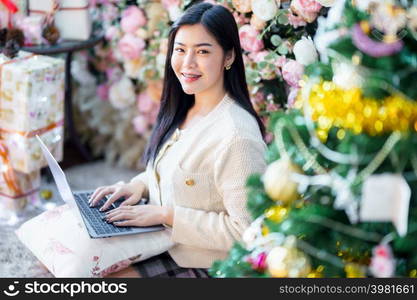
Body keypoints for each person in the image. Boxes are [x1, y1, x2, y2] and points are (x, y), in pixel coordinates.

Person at [89, 2, 267, 278]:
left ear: (229, 56)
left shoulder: (236, 136)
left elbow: (250, 232)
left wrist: (166, 215)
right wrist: (138, 186)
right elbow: (178, 174)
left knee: (95, 280)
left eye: (203, 52)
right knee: (69, 261)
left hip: (209, 264)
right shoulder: (186, 108)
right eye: (181, 50)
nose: (187, 63)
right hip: (164, 242)